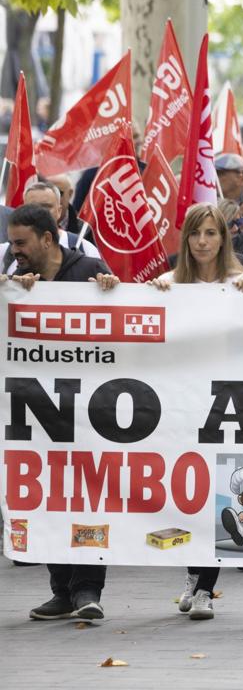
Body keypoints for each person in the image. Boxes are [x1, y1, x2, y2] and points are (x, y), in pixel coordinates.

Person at [7, 204, 119, 623]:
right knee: (48, 501)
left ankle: (88, 589)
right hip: (39, 414)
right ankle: (61, 589)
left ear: (48, 239)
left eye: (21, 243)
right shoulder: (17, 276)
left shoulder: (89, 269)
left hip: (90, 413)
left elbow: (122, 323)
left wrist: (113, 288)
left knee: (88, 497)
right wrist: (12, 290)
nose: (14, 250)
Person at [151, 202, 243, 620]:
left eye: (211, 233)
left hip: (227, 406)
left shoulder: (241, 279)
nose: (203, 242)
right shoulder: (168, 281)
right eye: (196, 234)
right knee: (186, 497)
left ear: (223, 237)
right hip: (181, 405)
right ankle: (193, 576)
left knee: (216, 496)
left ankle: (205, 589)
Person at [2, 182, 100, 268]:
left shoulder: (85, 249)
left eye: (46, 207)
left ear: (59, 211)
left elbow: (103, 284)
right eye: (33, 207)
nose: (39, 213)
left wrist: (106, 281)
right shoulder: (4, 253)